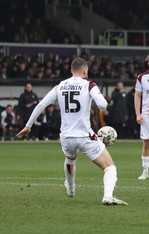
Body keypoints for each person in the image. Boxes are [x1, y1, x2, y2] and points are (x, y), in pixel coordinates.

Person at [16, 57, 128, 206]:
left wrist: (28, 126)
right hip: (85, 136)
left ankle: (70, 188)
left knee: (70, 159)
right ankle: (108, 196)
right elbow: (103, 105)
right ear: (84, 70)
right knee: (110, 167)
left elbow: (41, 104)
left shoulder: (60, 86)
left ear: (71, 70)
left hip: (66, 137)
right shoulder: (89, 85)